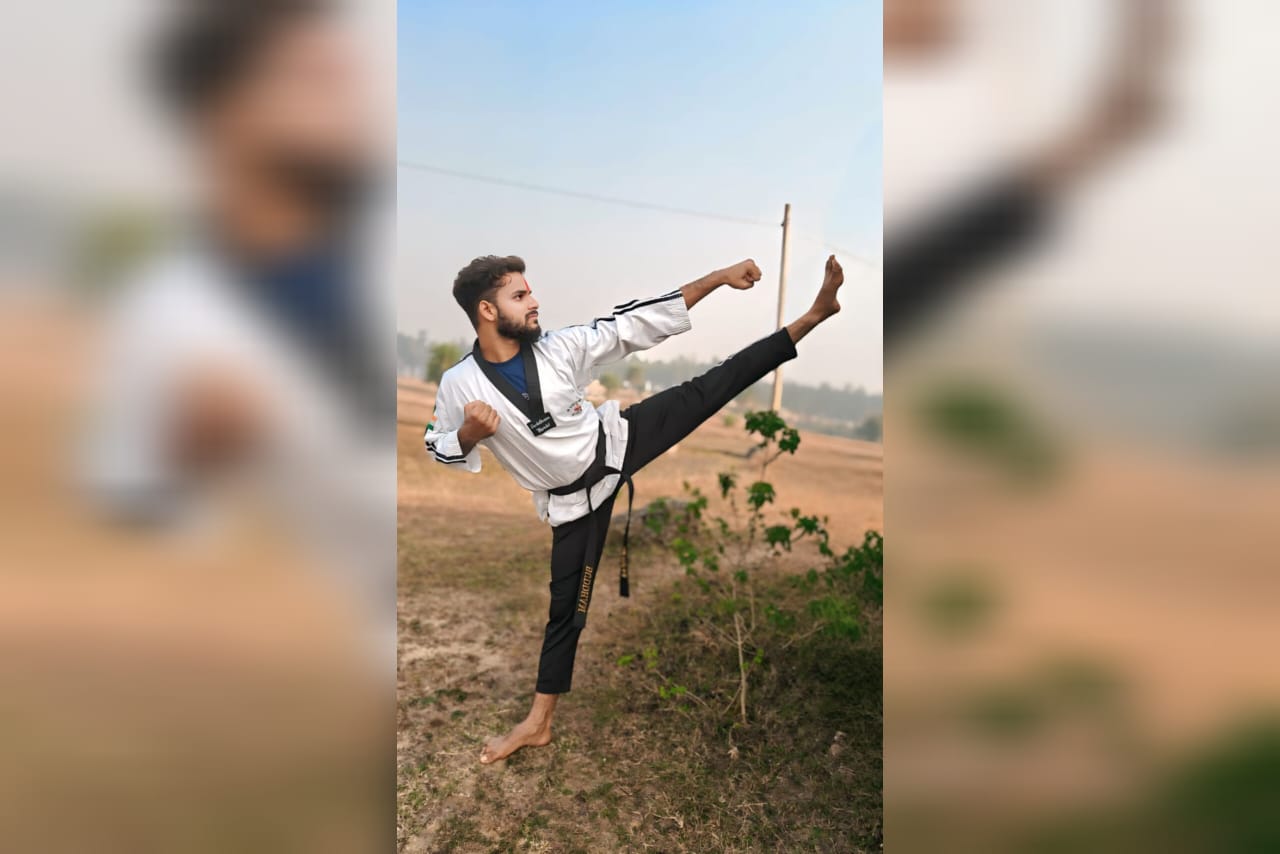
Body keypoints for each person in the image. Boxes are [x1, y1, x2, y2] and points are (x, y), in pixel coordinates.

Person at [425, 253, 846, 763]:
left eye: (530, 291)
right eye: (520, 295)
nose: (534, 301)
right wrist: (468, 434)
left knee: (713, 386)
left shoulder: (560, 347)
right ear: (487, 311)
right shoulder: (459, 385)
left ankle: (814, 315)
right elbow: (436, 444)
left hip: (619, 443)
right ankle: (538, 725)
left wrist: (717, 278)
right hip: (574, 505)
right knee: (565, 615)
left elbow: (635, 323)